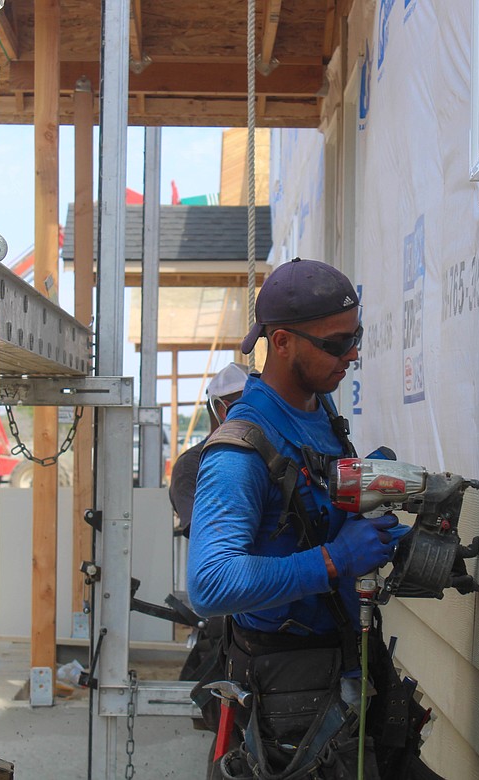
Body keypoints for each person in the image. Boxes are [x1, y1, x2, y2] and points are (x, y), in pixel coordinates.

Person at [187, 258, 437, 779]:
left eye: (355, 336)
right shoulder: (243, 447)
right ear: (280, 342)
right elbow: (210, 584)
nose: (352, 353)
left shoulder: (319, 412)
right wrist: (335, 558)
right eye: (334, 343)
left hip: (346, 666)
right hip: (293, 698)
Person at [168, 361, 250, 535]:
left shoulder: (266, 454)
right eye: (251, 404)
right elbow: (205, 535)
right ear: (223, 410)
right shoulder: (190, 467)